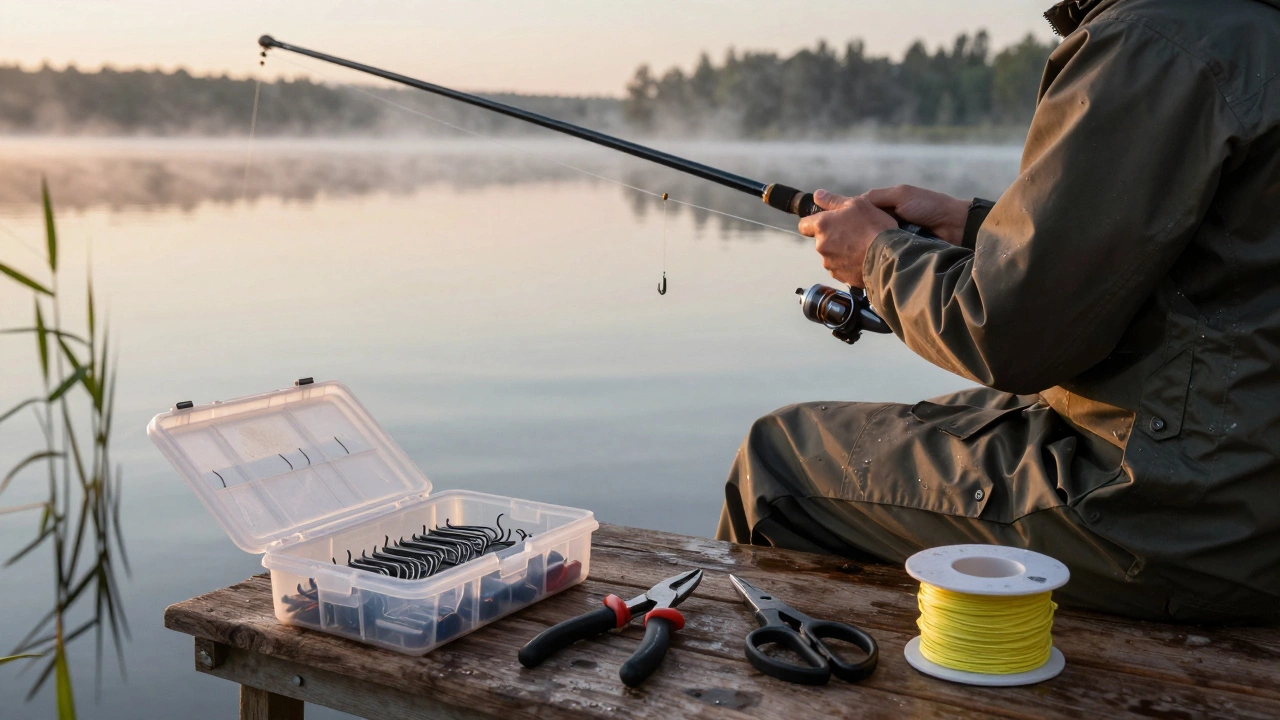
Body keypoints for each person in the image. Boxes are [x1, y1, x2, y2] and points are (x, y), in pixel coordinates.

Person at [717, 0, 1280, 623]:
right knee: (950, 424)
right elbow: (1216, 260)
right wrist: (981, 227)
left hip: (1186, 520)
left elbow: (1006, 334)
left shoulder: (1155, 39)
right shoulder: (1250, 28)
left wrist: (877, 255)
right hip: (1243, 483)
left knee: (777, 457)